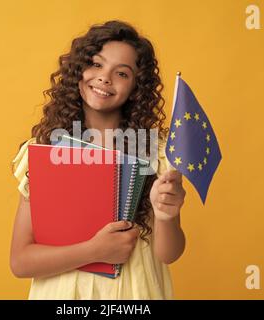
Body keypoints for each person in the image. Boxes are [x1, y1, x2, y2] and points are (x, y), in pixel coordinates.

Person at [10, 20, 186, 299]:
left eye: (122, 73)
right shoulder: (44, 151)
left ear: (135, 88)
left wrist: (168, 215)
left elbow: (169, 253)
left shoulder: (156, 151)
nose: (105, 78)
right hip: (65, 295)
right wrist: (96, 251)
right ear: (78, 71)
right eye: (96, 64)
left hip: (134, 294)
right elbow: (21, 261)